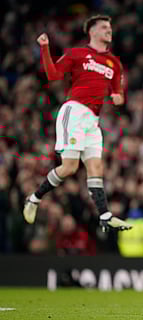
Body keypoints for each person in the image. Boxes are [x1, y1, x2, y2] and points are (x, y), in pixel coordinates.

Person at [23, 15, 132, 232]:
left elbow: (117, 94)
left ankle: (105, 215)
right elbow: (53, 74)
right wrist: (45, 48)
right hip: (74, 112)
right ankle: (34, 198)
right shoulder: (77, 53)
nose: (109, 31)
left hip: (93, 120)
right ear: (91, 32)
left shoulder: (114, 63)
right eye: (104, 27)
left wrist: (118, 97)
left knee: (96, 167)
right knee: (69, 167)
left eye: (110, 27)